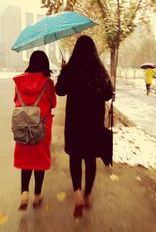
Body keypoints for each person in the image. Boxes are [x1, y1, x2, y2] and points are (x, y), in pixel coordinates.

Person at [55, 35, 113, 218]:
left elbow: (59, 90)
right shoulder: (99, 68)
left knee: (75, 158)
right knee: (90, 159)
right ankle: (88, 194)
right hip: (94, 123)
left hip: (75, 123)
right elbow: (108, 94)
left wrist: (63, 72)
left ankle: (78, 193)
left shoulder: (71, 68)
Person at [13, 50, 56, 210]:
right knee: (39, 161)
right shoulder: (48, 83)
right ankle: (37, 195)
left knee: (26, 160)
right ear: (45, 64)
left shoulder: (19, 82)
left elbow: (16, 100)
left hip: (23, 125)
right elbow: (53, 103)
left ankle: (24, 194)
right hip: (42, 126)